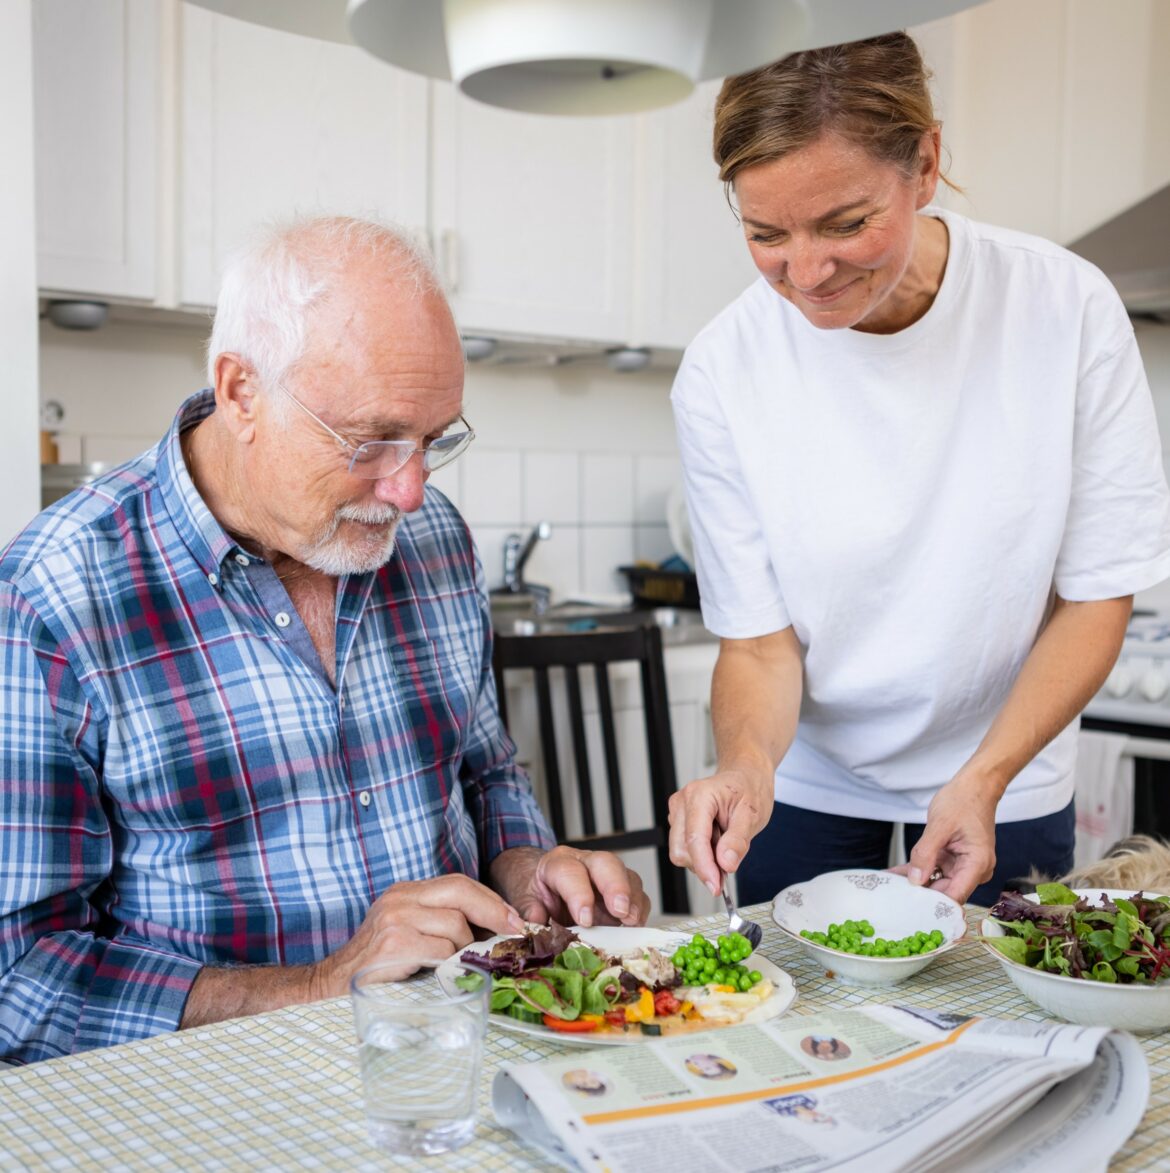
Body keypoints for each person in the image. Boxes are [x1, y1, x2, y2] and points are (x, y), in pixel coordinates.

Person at [0, 215, 649, 1065]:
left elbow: (485, 768)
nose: (411, 490)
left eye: (435, 439)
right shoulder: (56, 595)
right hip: (220, 1089)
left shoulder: (434, 540)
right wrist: (325, 981)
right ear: (241, 394)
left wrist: (527, 864)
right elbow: (23, 980)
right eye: (372, 440)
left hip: (461, 1051)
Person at [666, 32, 1170, 909]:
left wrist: (985, 777)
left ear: (927, 162)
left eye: (846, 223)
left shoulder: (1066, 307)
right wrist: (744, 766)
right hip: (811, 779)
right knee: (805, 1032)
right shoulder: (723, 369)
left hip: (1009, 767)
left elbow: (1096, 596)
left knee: (1010, 1034)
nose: (808, 272)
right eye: (765, 234)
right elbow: (757, 642)